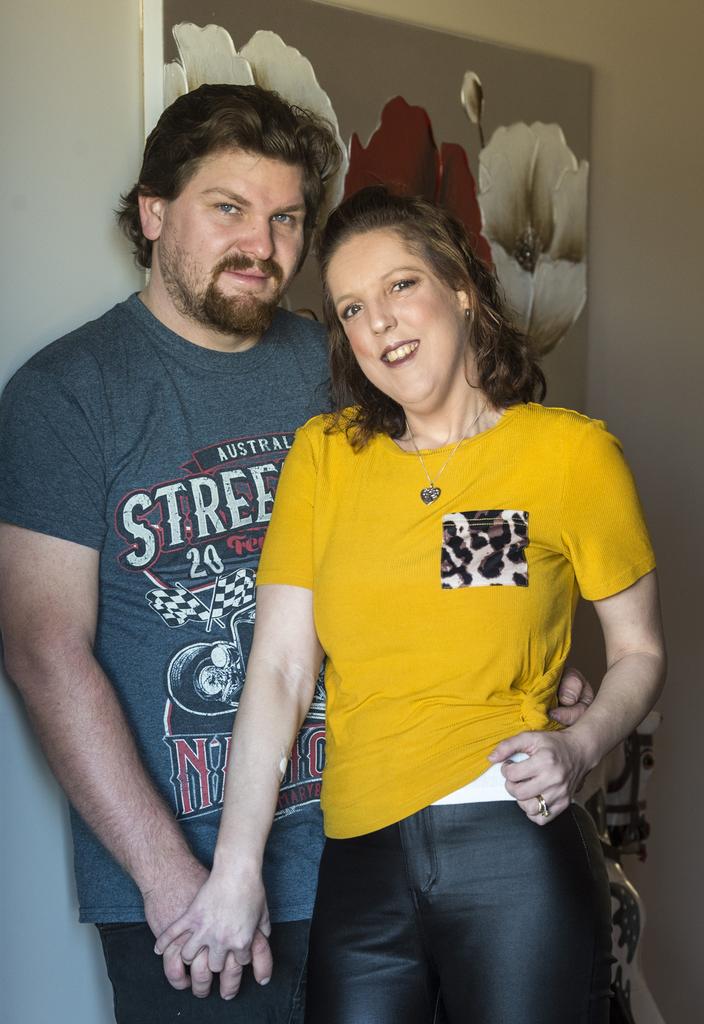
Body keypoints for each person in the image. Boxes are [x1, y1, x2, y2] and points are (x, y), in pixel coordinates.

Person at [154, 186, 666, 1023]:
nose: (381, 324)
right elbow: (280, 670)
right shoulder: (324, 459)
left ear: (461, 288)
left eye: (400, 287)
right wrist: (235, 870)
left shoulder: (568, 454)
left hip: (515, 849)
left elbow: (641, 653)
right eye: (353, 308)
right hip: (360, 861)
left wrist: (582, 747)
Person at [0, 83, 341, 1022]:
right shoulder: (66, 394)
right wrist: (165, 878)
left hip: (375, 851)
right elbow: (42, 649)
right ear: (154, 214)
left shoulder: (336, 370)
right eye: (228, 208)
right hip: (187, 886)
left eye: (286, 219)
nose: (263, 247)